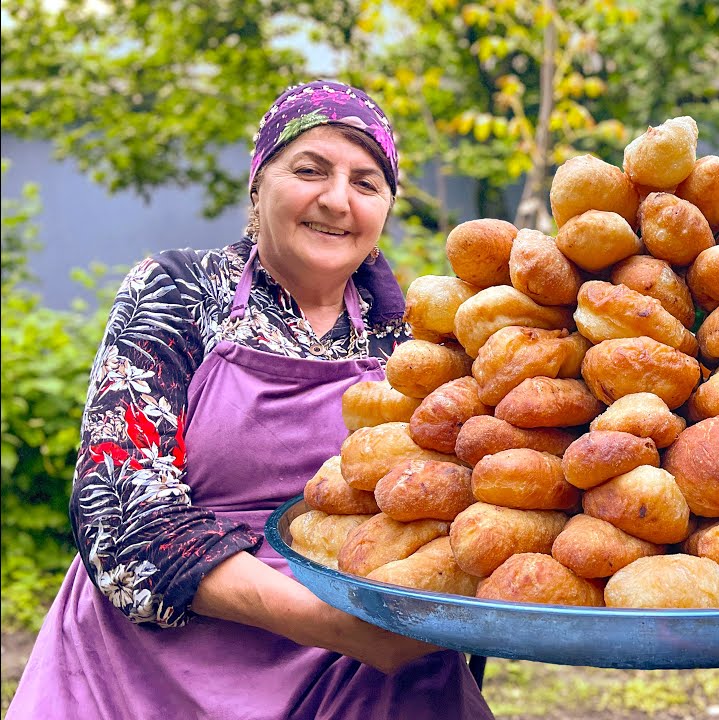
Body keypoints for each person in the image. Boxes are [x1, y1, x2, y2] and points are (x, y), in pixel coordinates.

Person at [9, 80, 494, 720]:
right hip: (150, 666)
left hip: (362, 669)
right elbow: (118, 515)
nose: (336, 200)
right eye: (309, 169)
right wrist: (333, 624)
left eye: (366, 182)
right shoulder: (178, 292)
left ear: (385, 209)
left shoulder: (411, 338)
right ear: (258, 182)